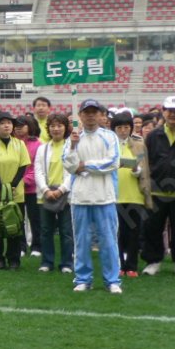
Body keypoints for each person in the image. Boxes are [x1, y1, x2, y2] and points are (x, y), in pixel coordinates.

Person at [63, 98, 122, 293]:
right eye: (86, 112)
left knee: (109, 239)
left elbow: (112, 162)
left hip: (104, 197)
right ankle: (82, 278)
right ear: (80, 115)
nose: (90, 115)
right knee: (81, 240)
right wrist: (73, 146)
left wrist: (86, 165)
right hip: (80, 197)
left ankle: (112, 280)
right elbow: (70, 165)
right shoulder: (72, 138)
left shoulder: (110, 136)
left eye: (94, 112)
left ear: (100, 115)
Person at [140, 95, 175, 278]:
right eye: (170, 110)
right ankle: (153, 261)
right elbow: (146, 162)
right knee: (153, 227)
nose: (173, 114)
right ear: (163, 111)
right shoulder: (153, 135)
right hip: (157, 190)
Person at [0, 111, 30, 270]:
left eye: (9, 122)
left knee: (15, 225)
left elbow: (23, 165)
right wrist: (2, 187)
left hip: (17, 194)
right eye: (3, 123)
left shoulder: (20, 144)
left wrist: (13, 185)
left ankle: (14, 258)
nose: (7, 125)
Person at [110, 112, 152, 278]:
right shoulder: (109, 144)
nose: (123, 130)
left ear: (131, 128)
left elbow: (144, 168)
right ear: (114, 129)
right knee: (117, 233)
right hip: (114, 195)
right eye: (119, 127)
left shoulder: (139, 144)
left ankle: (132, 265)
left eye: (126, 127)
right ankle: (119, 264)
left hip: (134, 195)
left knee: (134, 232)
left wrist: (136, 170)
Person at [33, 113, 74, 273]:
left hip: (65, 194)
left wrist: (61, 190)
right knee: (46, 230)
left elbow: (73, 172)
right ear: (48, 128)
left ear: (65, 127)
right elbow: (38, 171)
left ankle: (66, 263)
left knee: (66, 231)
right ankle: (47, 262)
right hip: (46, 194)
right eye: (53, 126)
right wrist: (45, 190)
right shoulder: (42, 148)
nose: (56, 129)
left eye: (59, 125)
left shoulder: (71, 147)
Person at [14, 116, 42, 257]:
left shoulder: (37, 144)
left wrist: (23, 181)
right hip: (15, 188)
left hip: (31, 188)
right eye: (16, 125)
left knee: (34, 218)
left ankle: (37, 246)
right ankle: (21, 246)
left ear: (29, 126)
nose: (18, 128)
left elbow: (36, 167)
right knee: (18, 218)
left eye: (22, 125)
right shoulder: (12, 143)